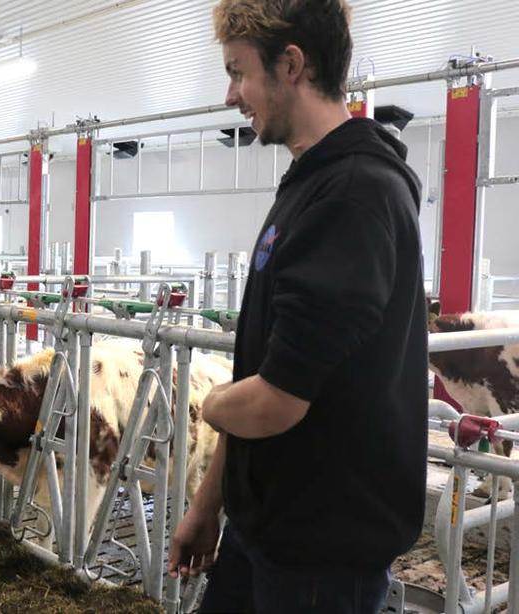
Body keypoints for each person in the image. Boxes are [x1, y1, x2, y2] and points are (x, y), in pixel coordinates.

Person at [168, 1, 428, 612]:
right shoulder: (312, 183)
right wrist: (209, 508)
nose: (231, 95)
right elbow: (270, 369)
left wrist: (207, 403)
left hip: (320, 558)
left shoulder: (356, 194)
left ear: (291, 65)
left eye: (238, 71)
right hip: (266, 530)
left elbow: (274, 401)